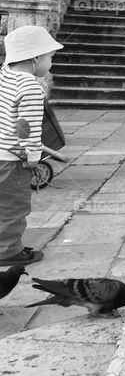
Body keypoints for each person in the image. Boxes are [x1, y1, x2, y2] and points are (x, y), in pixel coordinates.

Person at [0, 26, 64, 266]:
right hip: (12, 161)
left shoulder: (4, 74)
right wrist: (34, 159)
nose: (50, 63)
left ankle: (6, 245)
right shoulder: (30, 87)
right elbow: (27, 129)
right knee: (14, 208)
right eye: (50, 57)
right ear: (35, 57)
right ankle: (7, 252)